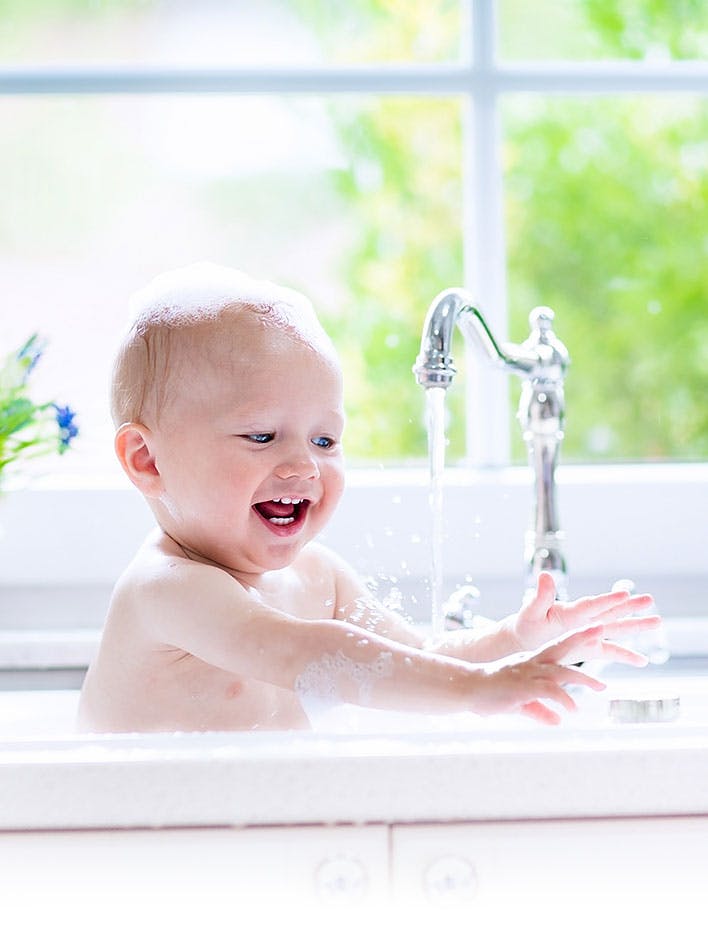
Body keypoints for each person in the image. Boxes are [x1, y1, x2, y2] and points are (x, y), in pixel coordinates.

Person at [78, 263, 660, 733]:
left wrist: (516, 640)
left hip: (254, 837)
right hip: (153, 846)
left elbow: (420, 656)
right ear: (147, 460)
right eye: (261, 436)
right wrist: (481, 691)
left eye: (326, 439)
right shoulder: (166, 589)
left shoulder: (318, 576)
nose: (305, 463)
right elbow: (311, 656)